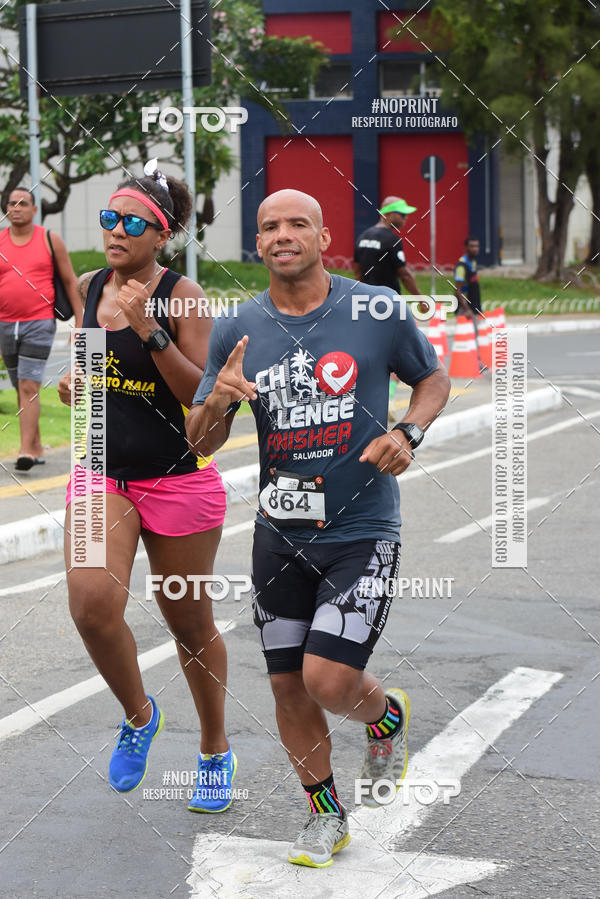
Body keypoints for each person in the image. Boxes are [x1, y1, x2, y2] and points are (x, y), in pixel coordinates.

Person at [186, 189, 450, 866]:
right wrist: (216, 396)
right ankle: (324, 815)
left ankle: (385, 718)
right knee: (284, 684)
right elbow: (202, 442)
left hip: (362, 527)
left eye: (296, 223)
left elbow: (433, 378)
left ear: (323, 235)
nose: (282, 234)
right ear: (258, 242)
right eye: (268, 226)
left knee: (329, 680)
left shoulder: (375, 309)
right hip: (280, 532)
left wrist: (409, 431)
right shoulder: (238, 325)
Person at [57, 163, 236, 812]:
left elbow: (206, 399)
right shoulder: (89, 284)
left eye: (132, 222)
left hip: (178, 477)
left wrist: (149, 330)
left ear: (163, 236)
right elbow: (90, 362)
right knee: (90, 603)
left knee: (189, 624)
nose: (115, 230)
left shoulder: (183, 299)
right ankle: (139, 715)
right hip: (101, 467)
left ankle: (215, 748)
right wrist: (78, 383)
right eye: (109, 217)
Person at [0, 186, 83, 471]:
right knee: (19, 385)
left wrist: (81, 325)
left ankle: (25, 451)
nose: (17, 208)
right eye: (12, 203)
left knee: (28, 384)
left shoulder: (49, 239)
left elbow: (71, 282)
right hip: (5, 324)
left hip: (39, 322)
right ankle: (35, 444)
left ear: (34, 210)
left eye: (23, 203)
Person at [353, 196, 421, 419]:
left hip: (365, 304)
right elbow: (405, 274)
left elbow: (357, 271)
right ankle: (387, 401)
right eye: (402, 215)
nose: (405, 219)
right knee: (396, 354)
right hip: (389, 305)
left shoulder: (363, 237)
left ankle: (367, 400)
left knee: (371, 353)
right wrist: (421, 299)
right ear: (388, 214)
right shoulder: (391, 239)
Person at [454, 237, 482, 319]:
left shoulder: (473, 262)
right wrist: (467, 310)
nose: (475, 249)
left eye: (477, 246)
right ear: (466, 248)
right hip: (465, 310)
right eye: (472, 246)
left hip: (474, 308)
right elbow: (458, 290)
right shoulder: (461, 266)